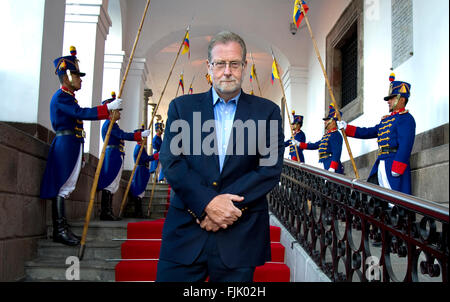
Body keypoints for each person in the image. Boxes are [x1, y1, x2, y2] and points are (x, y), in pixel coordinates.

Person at [156, 31, 284, 282]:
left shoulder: (267, 112)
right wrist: (206, 204)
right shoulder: (181, 108)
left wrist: (223, 208)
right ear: (209, 67)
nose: (227, 71)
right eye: (220, 64)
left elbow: (269, 169)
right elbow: (172, 162)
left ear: (244, 66)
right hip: (185, 232)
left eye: (234, 63)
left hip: (240, 234)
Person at [40, 46, 122, 246]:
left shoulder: (68, 97)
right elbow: (80, 114)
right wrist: (106, 109)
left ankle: (63, 228)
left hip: (72, 145)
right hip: (65, 145)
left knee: (66, 186)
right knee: (62, 187)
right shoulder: (61, 98)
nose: (80, 79)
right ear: (67, 76)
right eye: (76, 75)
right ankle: (60, 230)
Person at [337, 74, 415, 194]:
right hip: (381, 161)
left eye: (392, 98)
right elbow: (369, 132)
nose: (388, 101)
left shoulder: (406, 118)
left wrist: (398, 166)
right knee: (381, 198)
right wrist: (347, 128)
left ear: (402, 99)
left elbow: (406, 144)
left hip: (393, 163)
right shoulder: (386, 120)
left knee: (395, 199)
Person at [97, 93, 151, 221]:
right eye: (118, 111)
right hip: (112, 156)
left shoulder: (113, 125)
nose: (120, 114)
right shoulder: (110, 125)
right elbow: (123, 135)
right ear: (111, 111)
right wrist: (138, 135)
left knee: (113, 183)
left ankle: (108, 211)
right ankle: (105, 212)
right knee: (109, 184)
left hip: (116, 156)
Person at [298, 104, 344, 174]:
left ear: (333, 121)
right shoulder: (327, 135)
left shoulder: (335, 134)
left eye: (327, 120)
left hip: (332, 164)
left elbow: (337, 153)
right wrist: (299, 144)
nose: (325, 122)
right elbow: (315, 145)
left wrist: (332, 167)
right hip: (326, 162)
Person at [126, 125, 160, 218]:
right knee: (139, 191)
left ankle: (139, 212)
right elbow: (145, 158)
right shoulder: (139, 148)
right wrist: (156, 156)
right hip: (140, 170)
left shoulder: (141, 147)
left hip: (142, 170)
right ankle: (138, 212)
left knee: (141, 192)